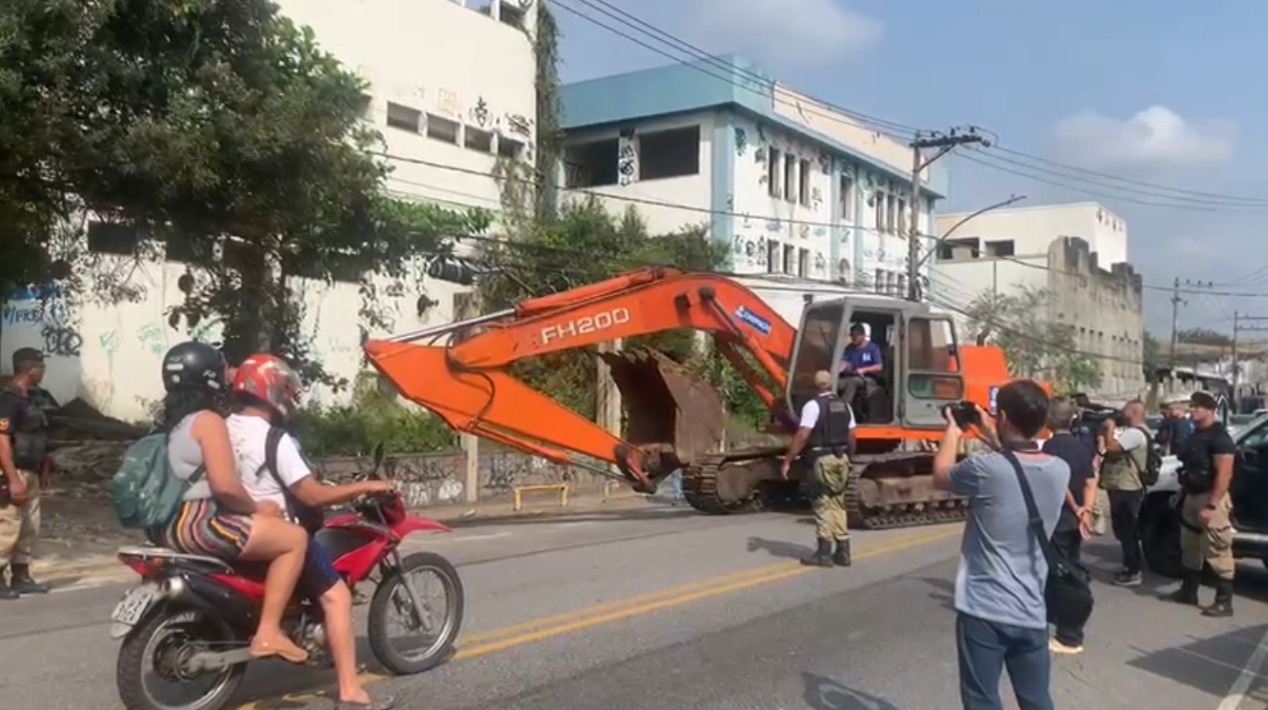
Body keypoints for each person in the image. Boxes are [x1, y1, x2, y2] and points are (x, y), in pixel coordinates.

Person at [227, 353, 396, 710]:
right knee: (337, 597)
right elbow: (312, 494)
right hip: (277, 532)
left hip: (233, 527)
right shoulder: (274, 439)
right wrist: (365, 488)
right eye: (286, 390)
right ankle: (350, 691)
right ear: (272, 390)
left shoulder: (225, 427)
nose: (289, 398)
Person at [147, 341, 311, 663]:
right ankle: (268, 632)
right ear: (211, 378)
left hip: (164, 526)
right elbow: (226, 487)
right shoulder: (207, 421)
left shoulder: (167, 423)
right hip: (199, 524)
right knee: (295, 539)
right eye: (223, 371)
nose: (229, 377)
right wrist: (257, 507)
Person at [933, 380, 1068, 710]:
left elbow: (940, 475)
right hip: (1032, 609)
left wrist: (953, 430)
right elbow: (1018, 462)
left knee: (982, 700)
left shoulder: (985, 469)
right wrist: (992, 432)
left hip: (984, 608)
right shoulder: (1059, 470)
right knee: (1037, 700)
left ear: (1003, 417)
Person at [1163, 390, 1237, 617]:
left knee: (1216, 548)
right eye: (1192, 406)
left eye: (1198, 407)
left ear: (1210, 410)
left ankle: (1224, 601)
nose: (1193, 410)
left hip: (1211, 496)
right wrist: (1183, 493)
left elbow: (1224, 475)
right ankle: (1189, 592)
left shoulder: (1220, 438)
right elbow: (1191, 467)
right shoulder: (1196, 434)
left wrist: (1212, 506)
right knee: (1190, 545)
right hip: (1193, 495)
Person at [781, 370, 856, 568]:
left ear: (815, 386)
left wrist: (789, 459)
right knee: (838, 503)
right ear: (831, 384)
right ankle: (843, 551)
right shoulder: (845, 406)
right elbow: (851, 436)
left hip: (822, 459)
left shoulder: (813, 406)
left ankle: (823, 553)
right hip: (842, 458)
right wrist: (850, 458)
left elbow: (803, 434)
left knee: (823, 502)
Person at [1041, 397, 1097, 654]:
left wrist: (1075, 507)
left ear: (1048, 420)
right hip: (1074, 521)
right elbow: (1090, 480)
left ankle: (1069, 635)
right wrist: (1086, 510)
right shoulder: (1080, 445)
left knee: (1061, 575)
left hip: (1059, 519)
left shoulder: (1051, 446)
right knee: (1070, 568)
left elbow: (1056, 482)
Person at [0, 348, 52, 598]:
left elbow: (35, 435)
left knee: (30, 526)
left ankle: (21, 575)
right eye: (41, 367)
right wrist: (12, 478)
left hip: (30, 471)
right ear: (29, 368)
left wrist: (44, 464)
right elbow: (1, 439)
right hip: (14, 471)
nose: (43, 371)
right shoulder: (8, 400)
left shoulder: (29, 399)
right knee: (7, 525)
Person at [1097, 399, 1150, 587]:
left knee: (1128, 530)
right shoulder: (1131, 432)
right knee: (1123, 530)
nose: (1121, 413)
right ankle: (1130, 566)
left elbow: (1111, 448)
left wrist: (1109, 429)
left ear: (1135, 412)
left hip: (1128, 487)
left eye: (1126, 410)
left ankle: (1133, 570)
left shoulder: (1135, 434)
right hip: (1121, 485)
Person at [838, 323, 883, 410]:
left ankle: (843, 409)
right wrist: (842, 366)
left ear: (862, 335)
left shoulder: (873, 348)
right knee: (835, 382)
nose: (853, 338)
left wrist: (864, 369)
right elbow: (845, 361)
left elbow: (879, 366)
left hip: (868, 378)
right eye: (852, 336)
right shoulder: (849, 348)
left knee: (852, 382)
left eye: (855, 336)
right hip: (850, 376)